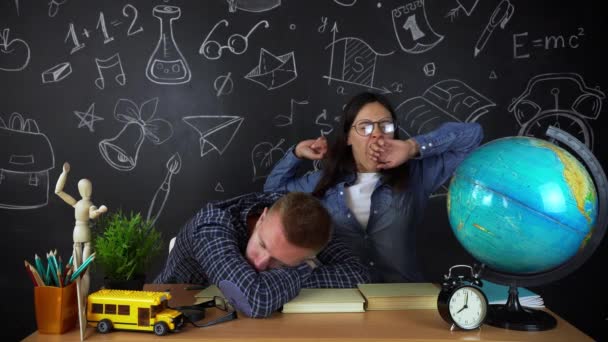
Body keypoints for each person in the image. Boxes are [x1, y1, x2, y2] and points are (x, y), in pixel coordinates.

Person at [264, 92, 483, 283]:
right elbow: (271, 193)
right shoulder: (324, 182)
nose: (377, 134)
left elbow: (472, 135)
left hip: (404, 299)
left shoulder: (416, 174)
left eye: (385, 125)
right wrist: (295, 154)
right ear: (348, 136)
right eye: (365, 127)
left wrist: (412, 146)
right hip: (342, 299)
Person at [154, 191, 370, 318]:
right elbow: (252, 299)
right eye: (262, 244)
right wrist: (308, 267)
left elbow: (357, 275)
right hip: (173, 314)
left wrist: (293, 273)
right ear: (263, 217)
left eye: (280, 262)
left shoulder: (310, 226)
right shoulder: (212, 224)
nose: (259, 263)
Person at [55, 162, 108, 340]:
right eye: (86, 188)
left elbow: (59, 192)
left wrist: (98, 211)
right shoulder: (82, 203)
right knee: (82, 272)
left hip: (78, 235)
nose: (88, 191)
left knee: (83, 271)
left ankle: (83, 303)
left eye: (88, 188)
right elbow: (59, 192)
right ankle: (82, 303)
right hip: (82, 235)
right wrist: (64, 173)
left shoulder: (80, 204)